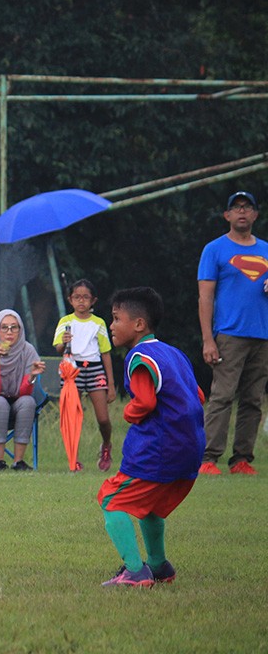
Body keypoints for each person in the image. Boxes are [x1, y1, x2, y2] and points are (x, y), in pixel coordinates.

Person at [98, 287, 205, 587]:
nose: (112, 324)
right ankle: (159, 566)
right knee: (150, 506)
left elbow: (144, 403)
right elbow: (198, 395)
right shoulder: (175, 354)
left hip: (160, 449)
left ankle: (135, 571)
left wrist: (130, 412)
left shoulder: (139, 356)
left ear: (139, 324)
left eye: (117, 318)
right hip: (191, 449)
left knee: (110, 499)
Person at [197, 191, 268, 476]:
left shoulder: (265, 249)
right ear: (227, 215)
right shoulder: (214, 249)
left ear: (255, 215)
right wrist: (207, 339)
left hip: (262, 335)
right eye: (236, 208)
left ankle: (241, 459)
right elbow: (205, 297)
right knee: (222, 396)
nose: (242, 212)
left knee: (253, 399)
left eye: (247, 207)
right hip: (229, 333)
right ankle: (208, 458)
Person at [52, 279, 117, 471]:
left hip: (95, 368)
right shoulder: (66, 322)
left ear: (93, 300)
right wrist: (63, 342)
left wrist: (111, 385)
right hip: (72, 370)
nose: (81, 302)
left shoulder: (98, 323)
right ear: (70, 300)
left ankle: (106, 445)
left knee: (103, 418)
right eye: (77, 297)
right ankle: (74, 458)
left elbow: (105, 353)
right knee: (72, 417)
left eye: (85, 297)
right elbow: (58, 348)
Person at [0, 309, 46, 471]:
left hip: (16, 402)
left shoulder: (28, 350)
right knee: (0, 402)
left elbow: (23, 393)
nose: (9, 332)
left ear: (20, 330)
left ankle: (18, 461)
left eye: (14, 327)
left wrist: (31, 378)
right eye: (4, 327)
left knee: (28, 401)